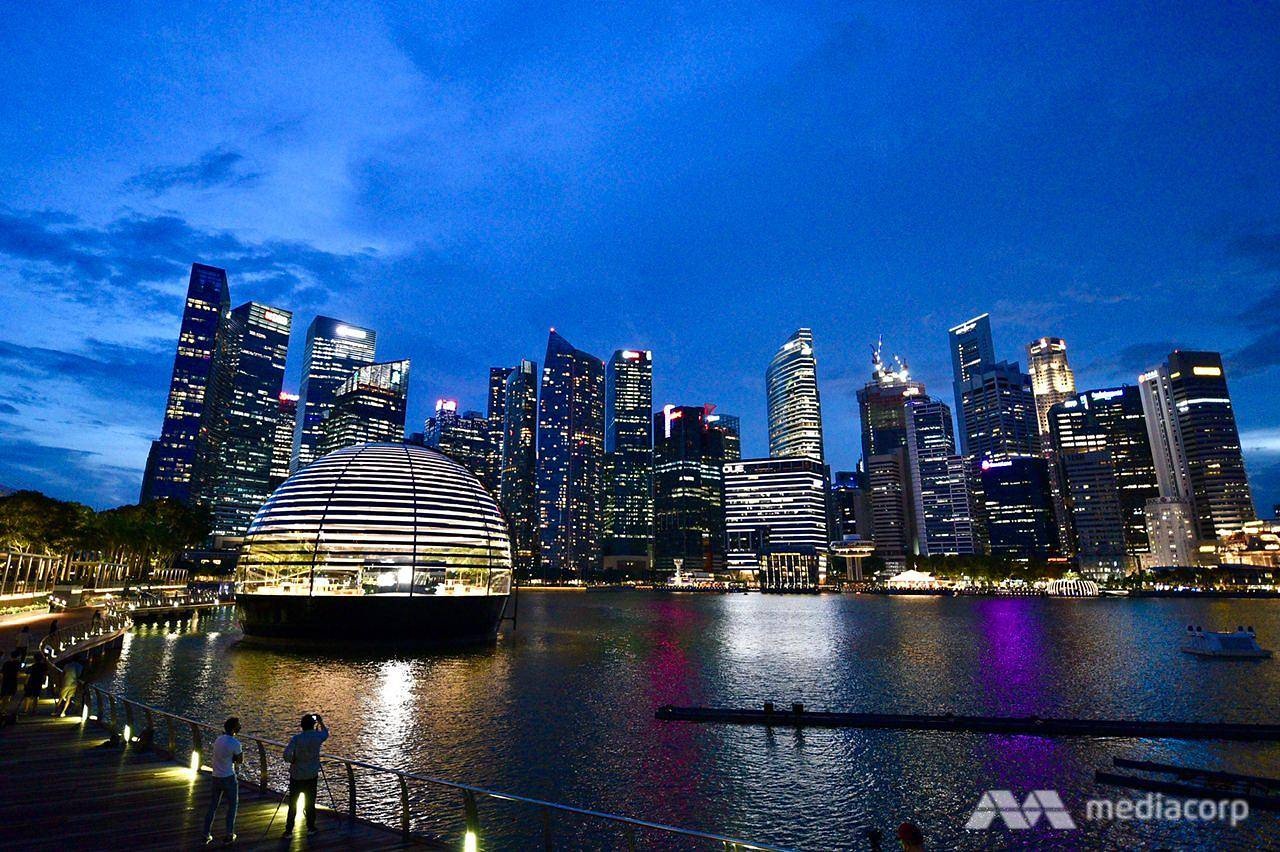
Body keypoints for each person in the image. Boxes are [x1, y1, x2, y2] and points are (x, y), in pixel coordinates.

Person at [282, 713, 328, 835]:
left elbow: (286, 755)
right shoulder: (317, 737)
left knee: (293, 804)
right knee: (310, 803)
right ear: (313, 725)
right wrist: (321, 722)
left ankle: (289, 830)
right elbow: (326, 733)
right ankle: (311, 827)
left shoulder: (296, 739)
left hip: (297, 775)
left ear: (302, 725)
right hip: (311, 775)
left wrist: (292, 760)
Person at [203, 717, 243, 845]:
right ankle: (229, 834)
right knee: (232, 806)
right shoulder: (236, 743)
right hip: (229, 777)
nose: (240, 727)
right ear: (233, 728)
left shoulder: (218, 740)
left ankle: (206, 833)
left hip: (216, 776)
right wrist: (234, 758)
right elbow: (240, 760)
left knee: (213, 806)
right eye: (238, 725)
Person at [1, 649, 21, 726]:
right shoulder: (17, 664)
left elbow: (2, 673)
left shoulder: (6, 663)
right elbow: (17, 674)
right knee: (9, 696)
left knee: (4, 695)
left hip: (5, 681)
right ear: (18, 656)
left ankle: (2, 709)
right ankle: (3, 709)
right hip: (12, 681)